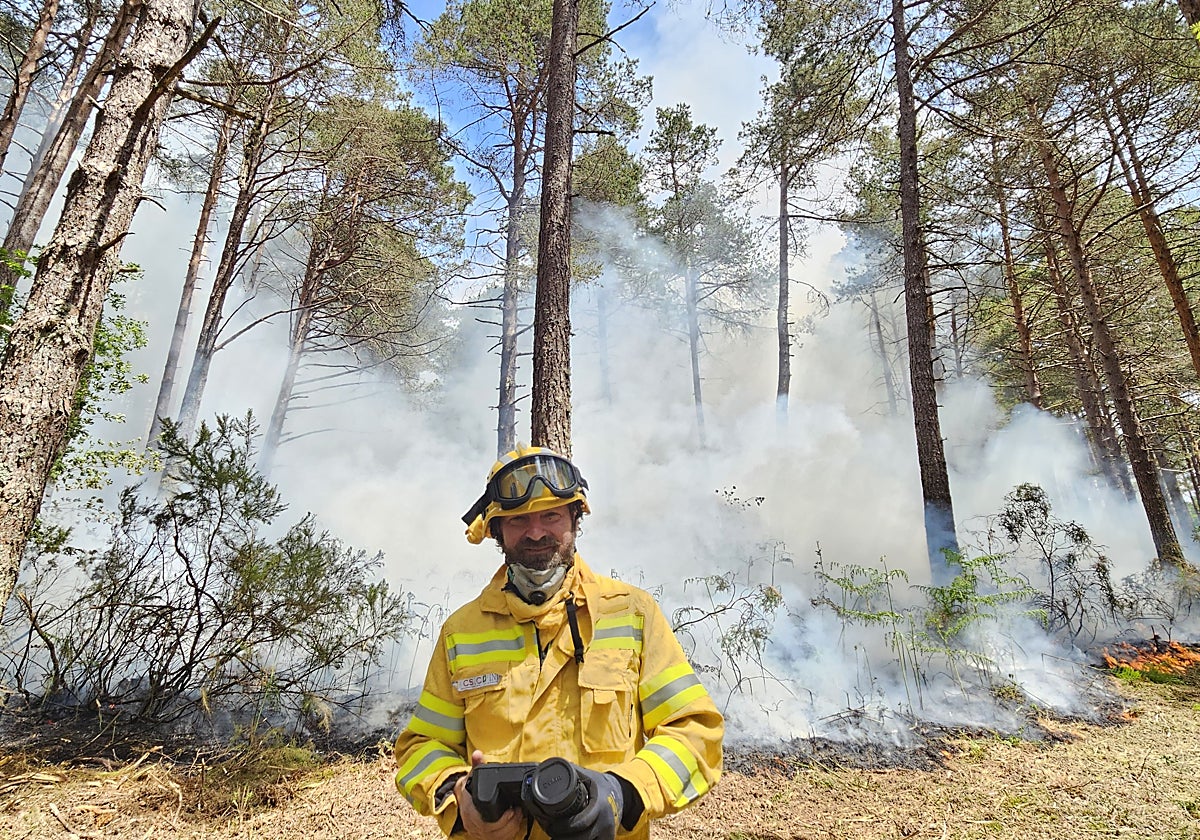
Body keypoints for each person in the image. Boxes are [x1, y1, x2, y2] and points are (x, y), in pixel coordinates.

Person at [394, 444, 724, 840]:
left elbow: (695, 731)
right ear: (496, 530)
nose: (535, 532)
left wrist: (625, 793)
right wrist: (459, 799)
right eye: (517, 520)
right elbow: (421, 745)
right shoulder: (461, 632)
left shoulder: (632, 614)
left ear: (575, 517)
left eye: (550, 515)